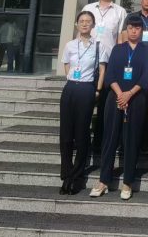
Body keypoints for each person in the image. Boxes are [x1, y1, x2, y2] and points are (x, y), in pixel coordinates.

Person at [90, 15, 148, 201]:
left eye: (137, 28)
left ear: (142, 31)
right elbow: (110, 75)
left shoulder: (147, 51)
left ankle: (127, 182)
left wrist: (129, 94)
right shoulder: (118, 49)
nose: (134, 31)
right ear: (126, 30)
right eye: (131, 27)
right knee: (109, 138)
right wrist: (120, 94)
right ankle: (103, 180)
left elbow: (146, 77)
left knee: (132, 139)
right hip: (115, 98)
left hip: (136, 98)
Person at [58, 11, 105, 194]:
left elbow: (102, 70)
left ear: (93, 25)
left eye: (88, 21)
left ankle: (77, 177)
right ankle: (66, 175)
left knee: (82, 133)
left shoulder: (98, 46)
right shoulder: (70, 45)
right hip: (70, 88)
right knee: (66, 134)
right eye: (82, 21)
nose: (85, 24)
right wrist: (72, 80)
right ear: (76, 24)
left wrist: (97, 90)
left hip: (87, 89)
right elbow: (67, 65)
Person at [81, 0, 127, 151]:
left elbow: (121, 38)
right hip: (87, 61)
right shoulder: (88, 8)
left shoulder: (120, 12)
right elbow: (80, 32)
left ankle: (99, 140)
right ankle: (82, 138)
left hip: (107, 63)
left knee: (104, 104)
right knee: (85, 102)